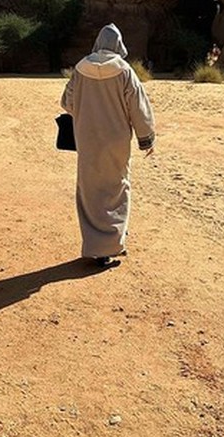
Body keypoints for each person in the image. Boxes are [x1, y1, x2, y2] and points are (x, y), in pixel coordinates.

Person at [61, 23, 155, 267]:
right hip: (117, 141)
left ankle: (96, 246)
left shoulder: (81, 69)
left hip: (88, 139)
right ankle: (113, 242)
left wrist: (88, 109)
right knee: (117, 188)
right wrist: (147, 139)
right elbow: (139, 107)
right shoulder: (124, 71)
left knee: (90, 191)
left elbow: (67, 102)